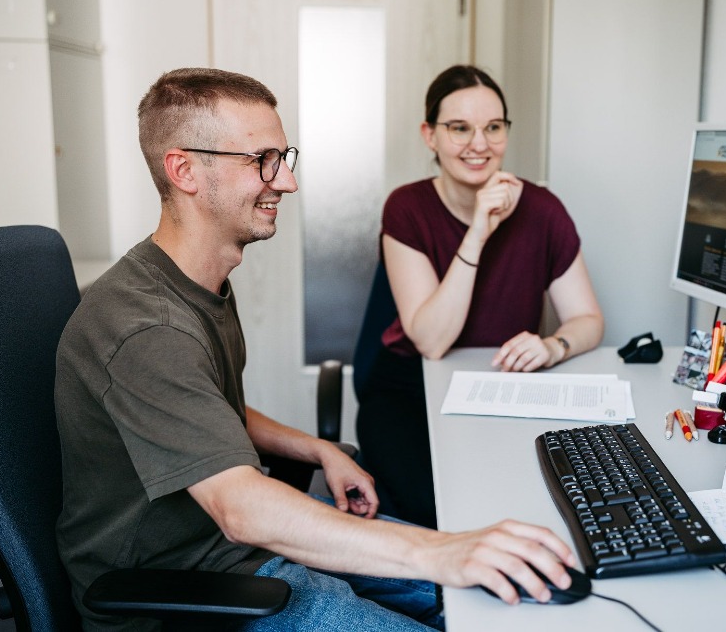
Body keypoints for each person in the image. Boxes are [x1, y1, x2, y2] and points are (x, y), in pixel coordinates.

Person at [54, 67, 579, 632]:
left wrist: (316, 448)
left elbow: (207, 411)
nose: (287, 182)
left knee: (500, 599)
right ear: (183, 170)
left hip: (237, 550)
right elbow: (241, 509)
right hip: (188, 586)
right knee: (454, 578)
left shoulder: (192, 282)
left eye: (285, 158)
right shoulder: (146, 328)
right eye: (262, 161)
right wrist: (439, 552)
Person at [356, 65, 605, 529]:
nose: (479, 144)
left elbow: (587, 318)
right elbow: (432, 340)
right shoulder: (406, 208)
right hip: (409, 387)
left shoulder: (542, 209)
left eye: (493, 128)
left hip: (502, 383)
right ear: (430, 135)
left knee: (535, 501)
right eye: (459, 129)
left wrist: (555, 345)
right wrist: (477, 233)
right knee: (446, 513)